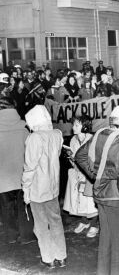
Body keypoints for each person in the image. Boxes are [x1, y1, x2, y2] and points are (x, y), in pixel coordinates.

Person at [75, 105, 119, 275]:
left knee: (106, 242)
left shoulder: (99, 134)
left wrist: (97, 176)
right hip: (118, 199)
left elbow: (80, 156)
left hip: (101, 196)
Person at [22, 105, 67, 269]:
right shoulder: (57, 134)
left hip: (37, 190)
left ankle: (48, 258)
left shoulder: (34, 138)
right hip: (53, 188)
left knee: (41, 225)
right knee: (56, 221)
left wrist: (25, 189)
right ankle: (61, 256)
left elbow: (29, 167)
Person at [0, 97, 35, 244]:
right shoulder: (24, 128)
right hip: (21, 174)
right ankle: (26, 235)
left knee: (7, 208)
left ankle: (11, 235)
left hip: (3, 176)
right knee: (24, 206)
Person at [63, 115, 99, 238]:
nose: (73, 127)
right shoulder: (73, 140)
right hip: (77, 173)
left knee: (90, 200)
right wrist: (71, 158)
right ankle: (84, 221)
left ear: (84, 127)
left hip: (88, 174)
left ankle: (94, 224)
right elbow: (74, 160)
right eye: (73, 124)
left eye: (76, 125)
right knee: (80, 199)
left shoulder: (92, 139)